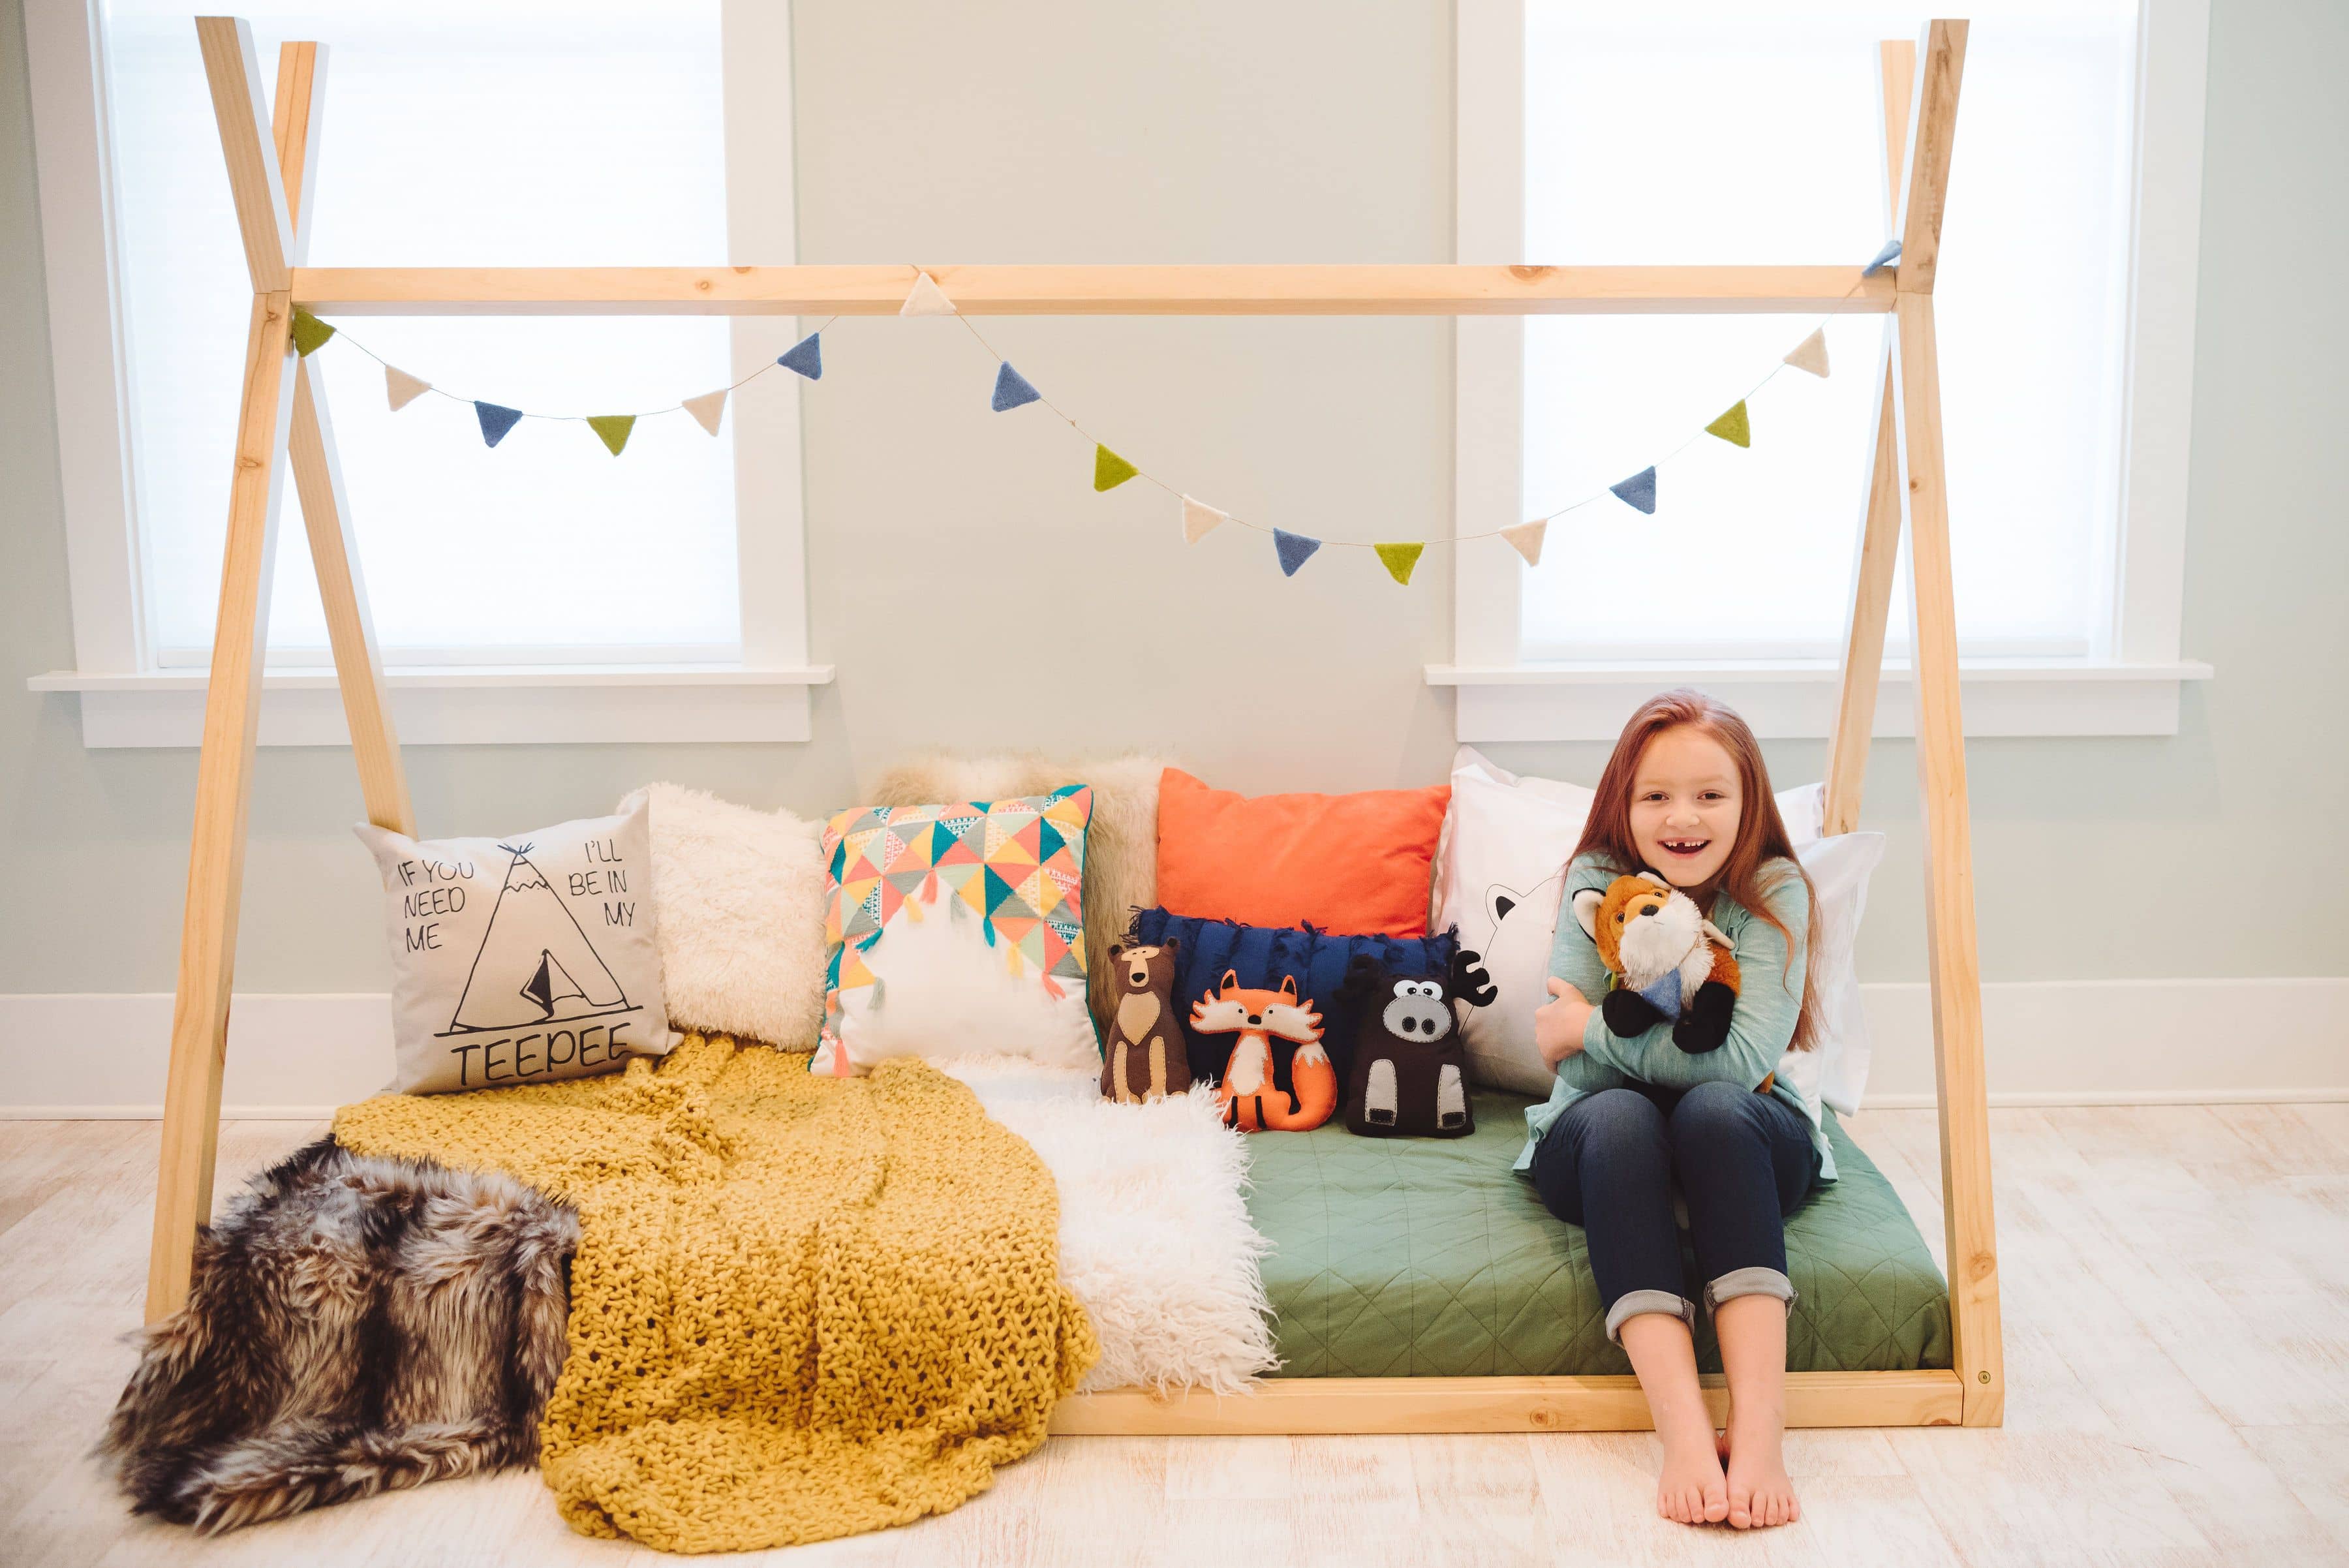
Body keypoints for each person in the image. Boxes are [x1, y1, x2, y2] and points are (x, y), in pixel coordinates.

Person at [1520, 688, 1830, 1529]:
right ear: (1624, 804)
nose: (1681, 817)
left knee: (1717, 1110)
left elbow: (1736, 1058)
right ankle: (1685, 1429)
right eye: (1655, 795)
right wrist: (1579, 1032)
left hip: (1746, 1137)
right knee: (1625, 1120)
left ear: (1747, 802)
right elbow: (1561, 1054)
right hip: (1600, 1133)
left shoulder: (1773, 891)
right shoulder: (1596, 882)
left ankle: (1760, 1431)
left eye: (1709, 794)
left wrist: (1591, 1027)